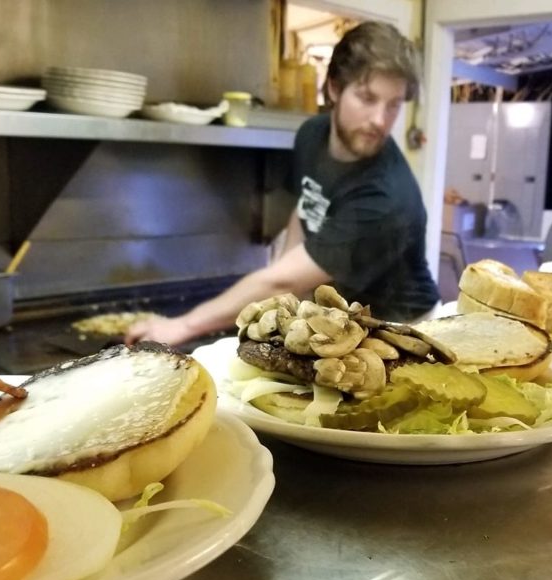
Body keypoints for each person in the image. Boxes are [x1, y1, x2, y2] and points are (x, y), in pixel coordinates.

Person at [125, 21, 440, 347]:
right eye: (367, 98)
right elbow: (303, 211)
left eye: (393, 105)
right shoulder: (312, 135)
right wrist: (284, 303)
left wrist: (182, 326)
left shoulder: (386, 197)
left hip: (402, 328)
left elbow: (282, 281)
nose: (379, 119)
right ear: (333, 88)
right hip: (351, 316)